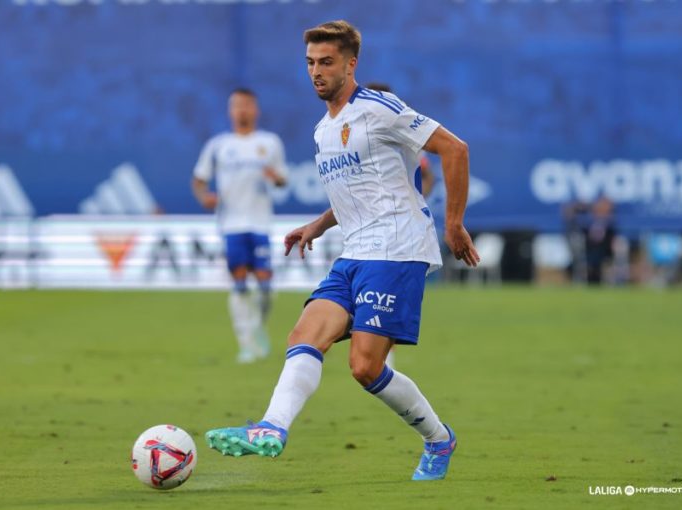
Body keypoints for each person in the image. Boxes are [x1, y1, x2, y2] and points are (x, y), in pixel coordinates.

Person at [205, 20, 479, 481]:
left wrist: (454, 224)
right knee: (304, 335)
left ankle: (439, 438)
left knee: (365, 368)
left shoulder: (378, 108)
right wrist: (316, 224)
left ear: (351, 64)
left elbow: (455, 149)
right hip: (354, 252)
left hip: (396, 249)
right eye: (311, 63)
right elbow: (352, 192)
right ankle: (271, 428)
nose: (316, 71)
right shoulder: (322, 131)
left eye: (327, 62)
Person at [192, 88, 288, 363]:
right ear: (230, 111)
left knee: (266, 286)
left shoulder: (269, 143)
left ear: (255, 110)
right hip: (231, 225)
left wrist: (275, 177)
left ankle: (257, 327)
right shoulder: (218, 146)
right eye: (237, 106)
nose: (242, 110)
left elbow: (283, 179)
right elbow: (199, 180)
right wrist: (205, 198)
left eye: (247, 105)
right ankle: (245, 342)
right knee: (240, 283)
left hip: (260, 223)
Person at [363, 82, 435, 368]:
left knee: (382, 305)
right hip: (367, 231)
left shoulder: (404, 136)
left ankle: (383, 368)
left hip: (401, 232)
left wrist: (414, 196)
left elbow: (429, 174)